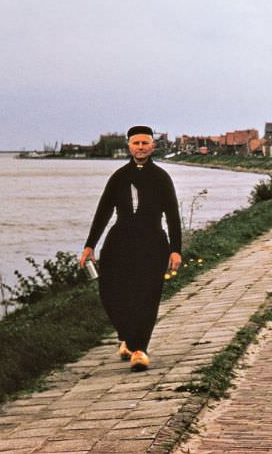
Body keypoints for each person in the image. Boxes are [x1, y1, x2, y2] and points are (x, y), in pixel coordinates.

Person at [80, 126, 182, 371]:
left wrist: (175, 249)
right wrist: (90, 245)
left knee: (147, 296)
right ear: (129, 146)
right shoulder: (119, 177)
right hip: (119, 244)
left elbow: (172, 215)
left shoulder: (161, 178)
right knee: (110, 292)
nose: (140, 147)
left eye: (145, 143)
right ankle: (127, 336)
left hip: (152, 243)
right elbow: (103, 211)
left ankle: (139, 350)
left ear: (153, 146)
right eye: (136, 143)